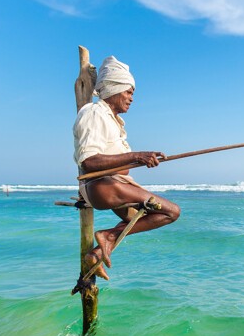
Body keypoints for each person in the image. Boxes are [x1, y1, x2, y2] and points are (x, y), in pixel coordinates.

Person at [73, 56, 180, 280]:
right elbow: (88, 161)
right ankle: (108, 236)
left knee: (148, 217)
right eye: (128, 92)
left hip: (114, 185)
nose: (131, 98)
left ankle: (95, 254)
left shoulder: (114, 122)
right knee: (172, 211)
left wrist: (138, 160)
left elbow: (121, 168)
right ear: (114, 89)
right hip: (103, 187)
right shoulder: (93, 113)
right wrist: (136, 156)